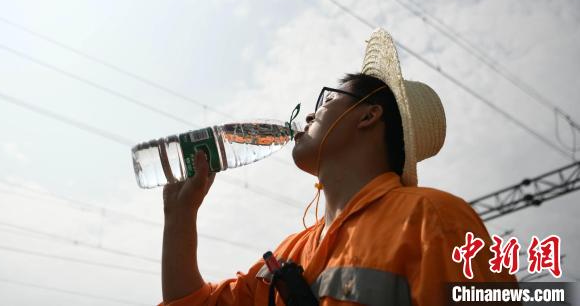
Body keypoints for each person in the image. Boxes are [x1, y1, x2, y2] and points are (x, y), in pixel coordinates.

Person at [160, 28, 518, 306]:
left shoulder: (432, 218)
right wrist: (179, 219)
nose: (312, 113)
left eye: (328, 99)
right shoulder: (291, 252)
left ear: (369, 115)